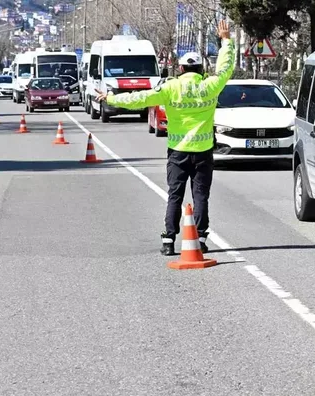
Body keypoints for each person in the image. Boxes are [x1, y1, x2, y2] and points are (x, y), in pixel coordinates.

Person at [94, 21, 234, 256]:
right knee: (201, 196)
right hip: (203, 151)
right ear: (201, 70)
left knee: (175, 196)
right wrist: (226, 41)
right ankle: (199, 238)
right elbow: (225, 67)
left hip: (178, 151)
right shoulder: (211, 86)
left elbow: (141, 98)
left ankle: (169, 240)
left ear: (179, 69)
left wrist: (111, 98)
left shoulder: (170, 88)